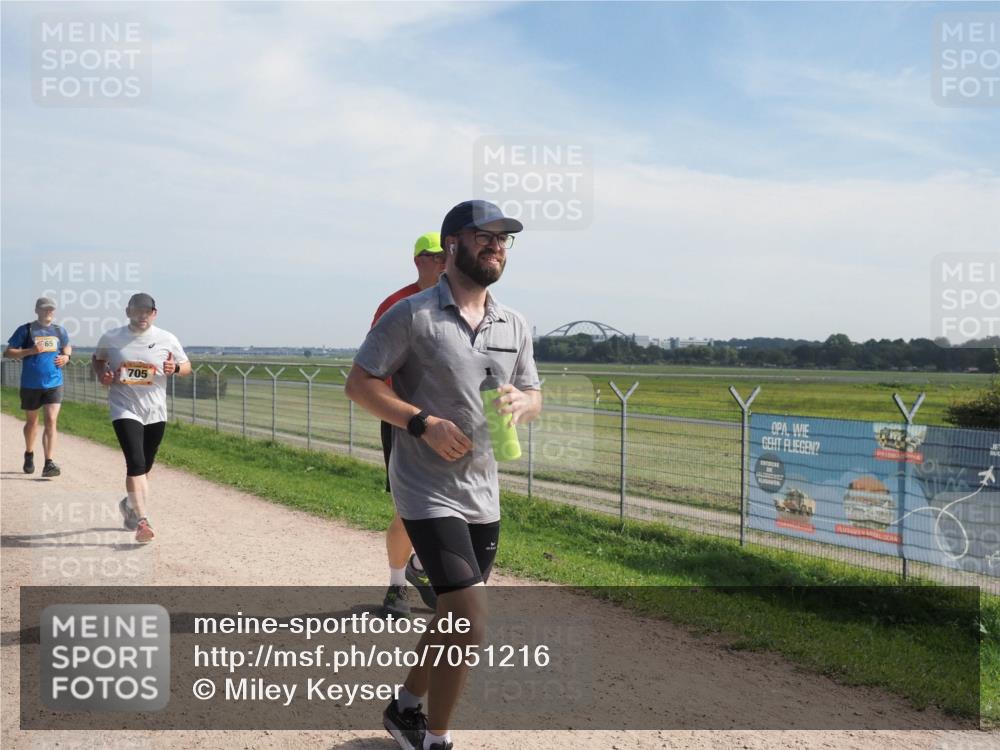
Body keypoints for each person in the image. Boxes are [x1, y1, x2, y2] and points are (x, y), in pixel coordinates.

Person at [346, 200, 543, 750]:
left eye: (505, 240)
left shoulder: (515, 323)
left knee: (453, 616)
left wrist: (523, 405)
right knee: (472, 620)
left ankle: (404, 706)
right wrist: (421, 423)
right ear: (453, 244)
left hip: (483, 489)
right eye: (485, 237)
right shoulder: (411, 315)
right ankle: (436, 738)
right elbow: (360, 384)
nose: (497, 246)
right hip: (425, 488)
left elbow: (534, 393)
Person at [374, 231, 447, 618]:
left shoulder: (462, 304)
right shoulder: (396, 305)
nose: (445, 262)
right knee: (409, 507)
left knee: (459, 505)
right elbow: (374, 373)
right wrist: (410, 414)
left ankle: (422, 566)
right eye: (437, 257)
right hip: (405, 420)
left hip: (453, 421)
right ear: (419, 260)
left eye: (449, 255)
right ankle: (398, 584)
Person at [92, 293, 190, 544]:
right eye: (138, 310)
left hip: (155, 411)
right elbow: (98, 359)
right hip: (124, 407)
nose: (142, 315)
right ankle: (143, 520)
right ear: (128, 312)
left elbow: (186, 365)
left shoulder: (166, 338)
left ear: (154, 314)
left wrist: (175, 369)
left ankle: (129, 504)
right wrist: (102, 374)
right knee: (135, 462)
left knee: (145, 466)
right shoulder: (112, 337)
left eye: (148, 311)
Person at [4, 297, 72, 477]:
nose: (48, 312)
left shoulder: (59, 330)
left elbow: (67, 347)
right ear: (37, 310)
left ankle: (49, 463)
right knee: (32, 422)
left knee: (51, 420)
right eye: (44, 309)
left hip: (54, 383)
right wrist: (30, 351)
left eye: (51, 309)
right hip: (30, 384)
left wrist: (67, 357)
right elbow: (8, 352)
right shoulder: (26, 330)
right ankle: (29, 453)